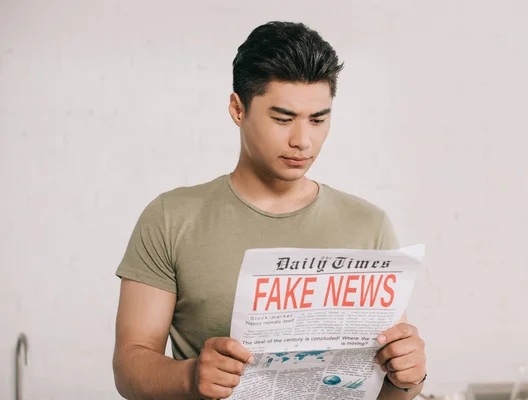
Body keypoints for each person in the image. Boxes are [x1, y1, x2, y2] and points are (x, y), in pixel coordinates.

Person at [112, 21, 427, 400]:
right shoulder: (170, 218)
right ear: (237, 109)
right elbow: (129, 367)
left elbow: (387, 391)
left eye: (318, 119)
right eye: (283, 118)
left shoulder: (369, 225)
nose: (302, 141)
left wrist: (406, 378)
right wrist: (190, 375)